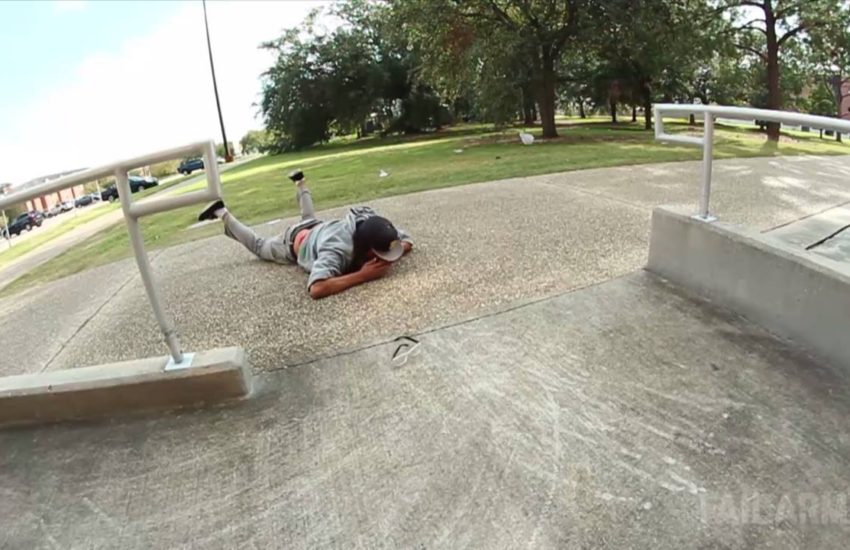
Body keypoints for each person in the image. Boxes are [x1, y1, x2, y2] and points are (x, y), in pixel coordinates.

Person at [197, 170, 413, 299]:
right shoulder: (336, 251)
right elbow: (317, 288)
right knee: (258, 245)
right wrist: (363, 275)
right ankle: (221, 212)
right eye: (377, 254)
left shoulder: (369, 220)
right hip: (292, 241)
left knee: (308, 217)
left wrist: (393, 251)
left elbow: (407, 242)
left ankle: (300, 182)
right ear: (365, 248)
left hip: (318, 228)